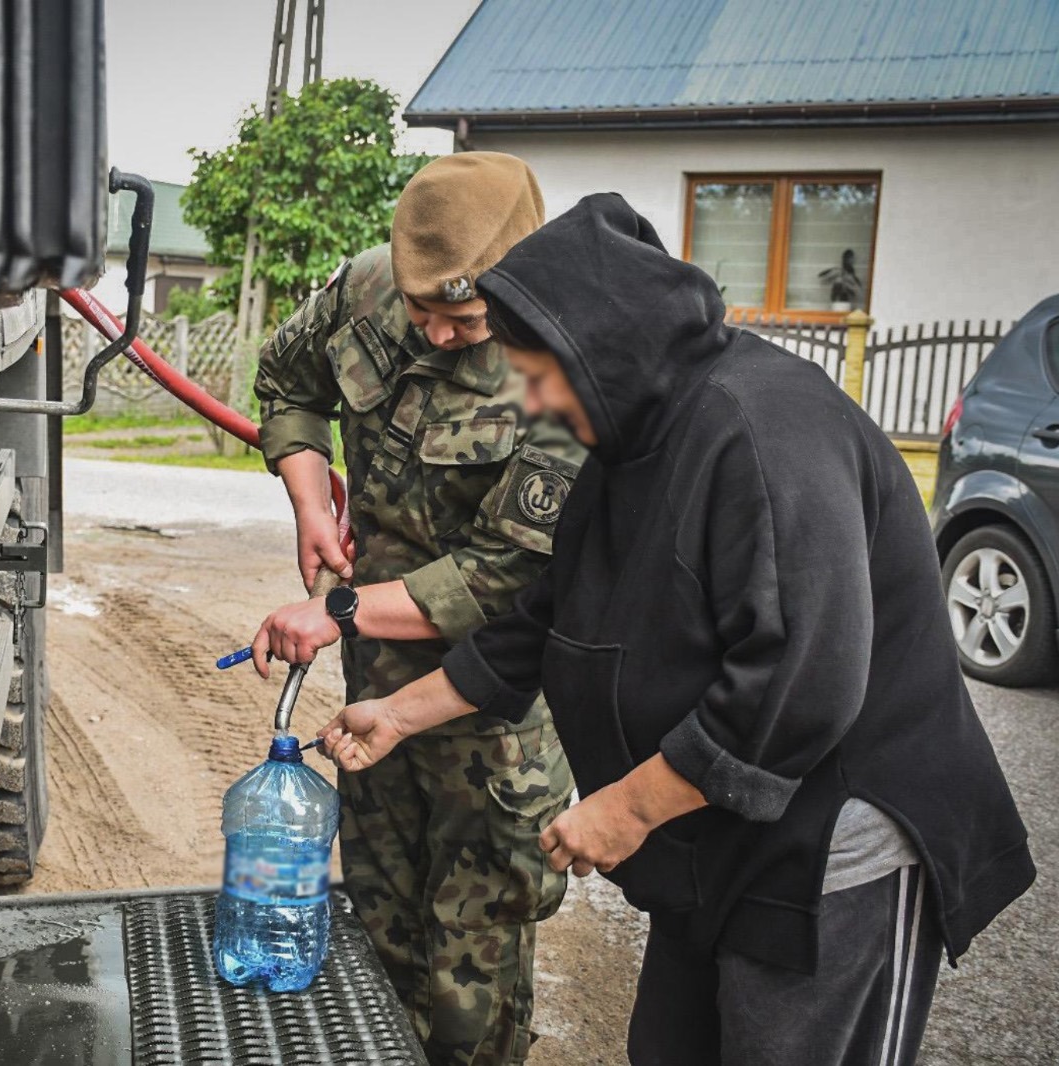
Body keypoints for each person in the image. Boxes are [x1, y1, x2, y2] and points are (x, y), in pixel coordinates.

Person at [318, 193, 1035, 1066]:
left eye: (538, 376)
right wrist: (397, 714)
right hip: (713, 831)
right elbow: (545, 618)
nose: (530, 403)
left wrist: (627, 808)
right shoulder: (628, 443)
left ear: (598, 349)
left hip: (834, 846)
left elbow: (803, 682)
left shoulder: (767, 429)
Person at [249, 152, 585, 1066]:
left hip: (490, 719)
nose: (435, 333)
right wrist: (311, 502)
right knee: (379, 926)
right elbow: (287, 382)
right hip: (376, 696)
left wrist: (338, 611)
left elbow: (502, 579)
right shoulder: (367, 287)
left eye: (464, 319)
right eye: (420, 308)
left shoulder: (560, 372)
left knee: (471, 967)